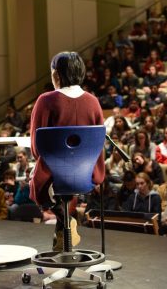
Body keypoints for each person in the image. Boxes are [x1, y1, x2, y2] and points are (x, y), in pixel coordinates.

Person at [29, 51, 105, 251]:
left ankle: (66, 222)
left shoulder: (46, 100)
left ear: (57, 75)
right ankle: (64, 233)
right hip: (85, 172)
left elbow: (36, 149)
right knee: (64, 189)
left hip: (53, 176)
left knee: (35, 176)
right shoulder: (93, 102)